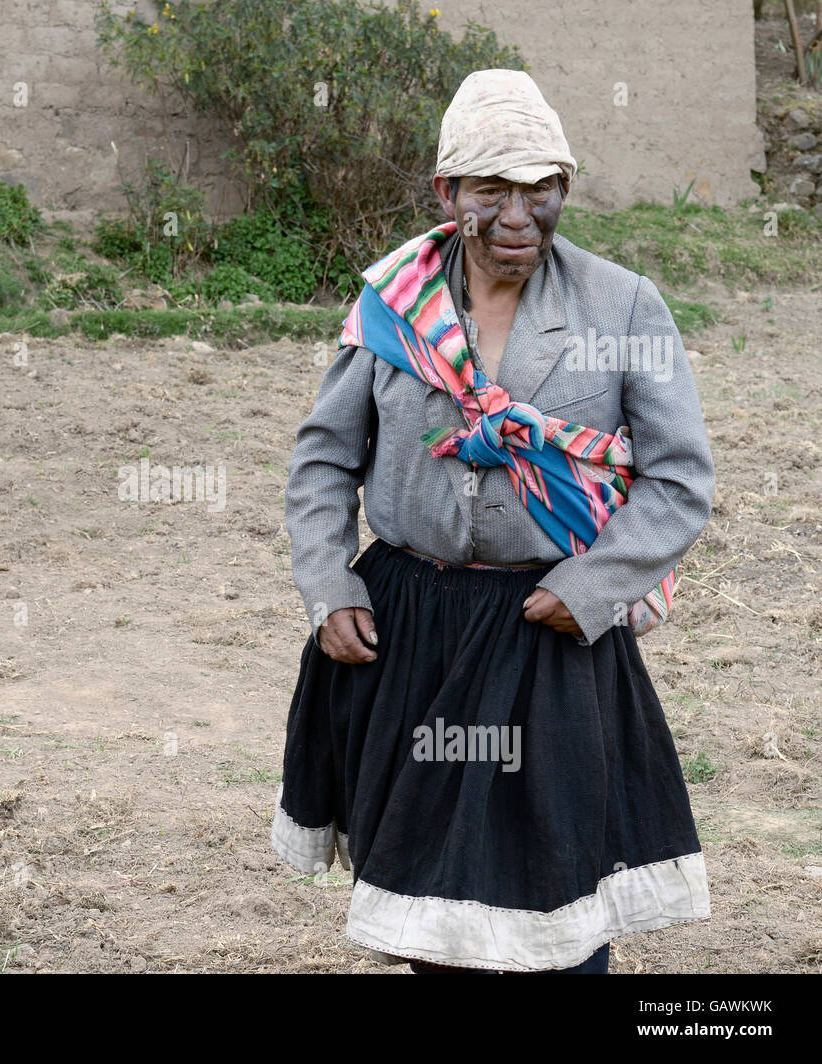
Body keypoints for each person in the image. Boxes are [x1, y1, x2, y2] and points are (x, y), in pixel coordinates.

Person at [273, 69, 715, 973]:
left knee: (558, 889)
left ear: (564, 191)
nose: (518, 214)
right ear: (448, 194)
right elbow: (323, 458)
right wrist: (329, 585)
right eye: (492, 190)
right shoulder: (393, 305)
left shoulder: (622, 306)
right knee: (430, 901)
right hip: (408, 631)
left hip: (548, 630)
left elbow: (677, 479)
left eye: (540, 189)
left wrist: (587, 589)